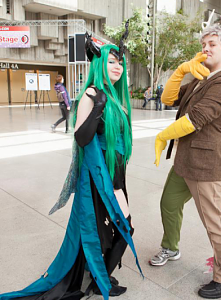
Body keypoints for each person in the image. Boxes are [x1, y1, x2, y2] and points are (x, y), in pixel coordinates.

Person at [0, 26, 142, 300]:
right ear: (99, 63)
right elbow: (81, 137)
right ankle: (101, 280)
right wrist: (98, 107)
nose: (118, 67)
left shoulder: (115, 97)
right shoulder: (92, 94)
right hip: (99, 178)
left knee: (119, 227)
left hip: (116, 175)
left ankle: (101, 275)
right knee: (116, 228)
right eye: (111, 62)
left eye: (121, 63)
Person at [149, 24, 221, 299]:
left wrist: (164, 135)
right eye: (203, 45)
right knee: (169, 203)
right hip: (184, 161)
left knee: (215, 224)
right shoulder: (202, 78)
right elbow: (167, 98)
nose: (206, 49)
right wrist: (180, 72)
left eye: (212, 44)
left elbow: (195, 119)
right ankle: (171, 247)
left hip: (206, 166)